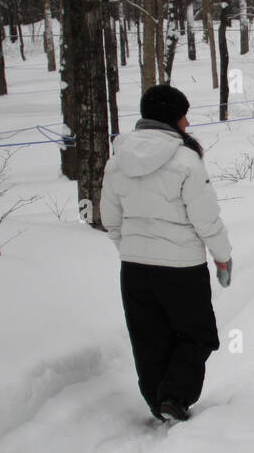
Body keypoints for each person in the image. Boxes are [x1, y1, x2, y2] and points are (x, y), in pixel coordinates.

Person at [100, 85, 233, 423]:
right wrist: (222, 256)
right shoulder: (186, 160)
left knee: (148, 336)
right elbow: (206, 219)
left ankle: (158, 399)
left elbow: (110, 220)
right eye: (183, 114)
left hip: (134, 270)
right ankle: (173, 397)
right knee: (198, 334)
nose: (187, 121)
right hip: (181, 269)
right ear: (172, 117)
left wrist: (131, 250)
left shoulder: (117, 161)